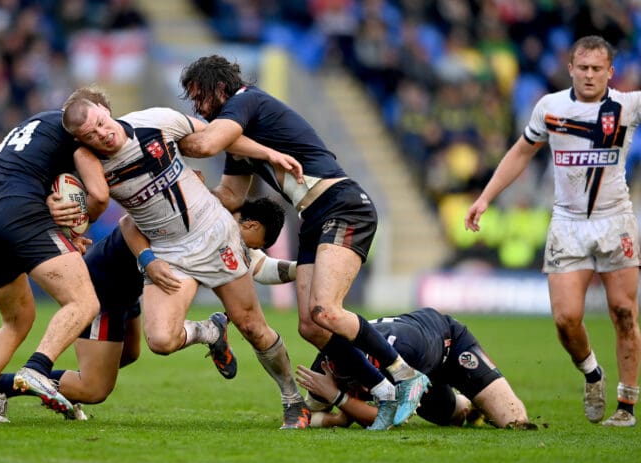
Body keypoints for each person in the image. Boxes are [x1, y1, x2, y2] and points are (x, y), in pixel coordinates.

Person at [178, 54, 429, 430]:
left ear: (220, 89)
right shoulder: (238, 140)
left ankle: (407, 375)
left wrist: (166, 135)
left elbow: (204, 144)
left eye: (199, 97)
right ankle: (385, 392)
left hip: (342, 204)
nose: (197, 108)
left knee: (326, 310)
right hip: (312, 218)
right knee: (313, 327)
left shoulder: (246, 100)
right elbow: (230, 196)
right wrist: (194, 194)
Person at [60, 85, 310, 429]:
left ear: (107, 111)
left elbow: (214, 138)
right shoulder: (90, 165)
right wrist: (146, 258)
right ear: (82, 140)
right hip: (168, 253)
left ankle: (292, 400)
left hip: (213, 234)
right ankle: (210, 330)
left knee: (252, 325)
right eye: (91, 134)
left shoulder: (155, 122)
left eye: (102, 123)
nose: (103, 134)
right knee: (161, 340)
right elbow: (127, 221)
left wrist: (267, 154)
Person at [0, 197, 297, 423]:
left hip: (126, 291)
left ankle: (64, 390)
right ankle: (0, 387)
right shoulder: (195, 210)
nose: (252, 250)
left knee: (130, 354)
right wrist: (147, 258)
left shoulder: (215, 223)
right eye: (257, 242)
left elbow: (261, 268)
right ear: (252, 224)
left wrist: (306, 269)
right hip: (101, 292)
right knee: (94, 388)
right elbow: (127, 221)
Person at [464, 35, 641, 427]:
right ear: (571, 69)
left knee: (625, 312)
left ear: (611, 72)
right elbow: (521, 152)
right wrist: (486, 198)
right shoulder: (550, 107)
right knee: (565, 319)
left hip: (616, 221)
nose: (590, 75)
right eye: (583, 68)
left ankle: (626, 408)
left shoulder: (628, 106)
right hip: (568, 223)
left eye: (598, 69)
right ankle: (592, 372)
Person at [0, 109, 111, 424]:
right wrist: (80, 222)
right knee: (84, 302)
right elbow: (100, 196)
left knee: (16, 320)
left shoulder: (28, 127)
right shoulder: (76, 130)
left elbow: (35, 178)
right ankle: (37, 368)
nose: (98, 132)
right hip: (22, 213)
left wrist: (61, 232)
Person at [295, 307, 535, 430]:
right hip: (419, 369)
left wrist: (338, 397)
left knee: (514, 421)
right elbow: (306, 418)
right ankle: (468, 406)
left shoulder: (396, 353)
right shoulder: (325, 364)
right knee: (451, 414)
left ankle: (481, 395)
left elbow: (391, 418)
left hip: (449, 346)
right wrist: (335, 418)